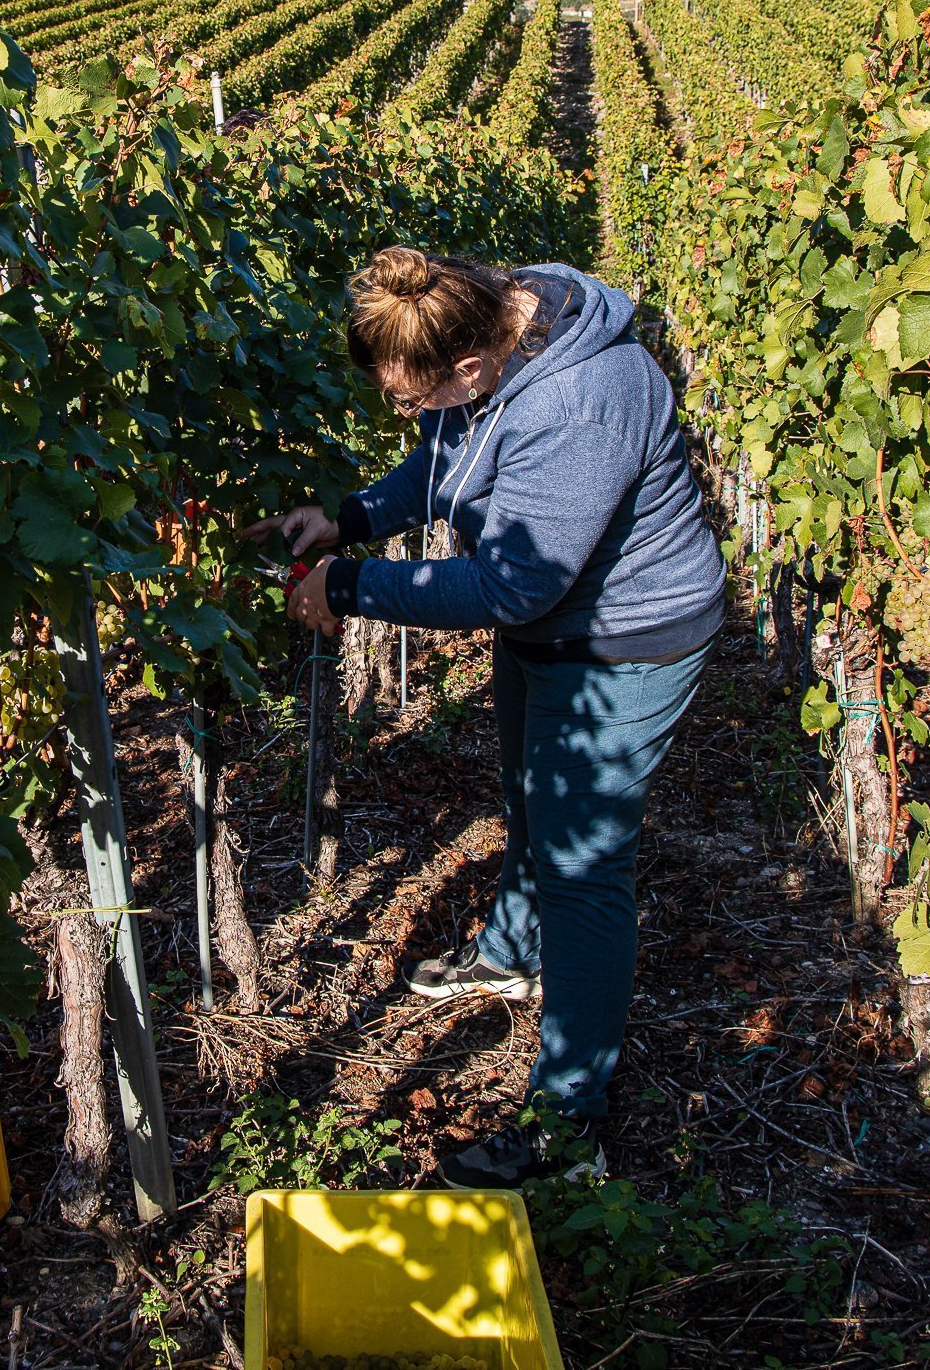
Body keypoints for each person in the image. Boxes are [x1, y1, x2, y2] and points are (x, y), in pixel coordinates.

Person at [248, 245, 726, 1187]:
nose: (409, 414)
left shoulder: (579, 401)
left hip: (628, 636)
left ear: (470, 366)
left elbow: (512, 582)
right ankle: (509, 954)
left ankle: (569, 1124)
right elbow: (446, 457)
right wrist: (350, 518)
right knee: (526, 799)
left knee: (585, 870)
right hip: (554, 624)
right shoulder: (496, 329)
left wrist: (349, 586)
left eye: (412, 396)